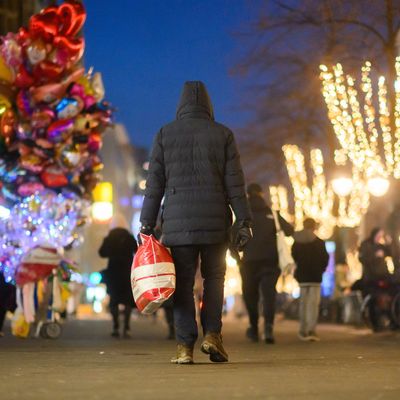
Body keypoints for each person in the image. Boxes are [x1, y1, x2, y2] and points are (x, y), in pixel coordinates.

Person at [140, 81, 252, 364]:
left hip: (178, 227)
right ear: (209, 105)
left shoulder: (165, 134)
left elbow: (154, 185)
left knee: (183, 284)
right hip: (215, 221)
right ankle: (213, 335)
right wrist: (244, 219)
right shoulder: (223, 134)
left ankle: (184, 347)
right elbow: (236, 184)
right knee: (215, 279)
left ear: (180, 105)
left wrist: (146, 222)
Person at [239, 183, 293, 344]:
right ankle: (268, 327)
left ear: (247, 195)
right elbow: (290, 231)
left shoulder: (243, 215)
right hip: (270, 261)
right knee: (269, 294)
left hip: (249, 262)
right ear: (262, 194)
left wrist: (238, 258)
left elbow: (233, 237)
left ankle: (254, 328)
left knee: (250, 295)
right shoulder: (273, 214)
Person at [292, 218, 329, 341]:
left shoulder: (297, 242)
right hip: (315, 277)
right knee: (313, 304)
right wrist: (320, 270)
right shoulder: (319, 242)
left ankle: (302, 330)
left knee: (303, 303)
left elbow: (294, 258)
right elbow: (325, 259)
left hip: (302, 277)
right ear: (314, 227)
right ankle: (311, 329)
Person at [99, 226, 138, 338]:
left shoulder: (109, 238)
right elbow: (137, 250)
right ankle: (126, 327)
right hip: (127, 272)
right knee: (128, 301)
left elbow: (102, 253)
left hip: (113, 272)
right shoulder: (129, 237)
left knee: (114, 300)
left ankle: (115, 327)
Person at [358, 227, 395, 331]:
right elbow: (362, 258)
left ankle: (386, 320)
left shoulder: (380, 246)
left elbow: (391, 254)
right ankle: (375, 324)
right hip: (371, 277)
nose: (380, 237)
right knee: (372, 300)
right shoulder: (366, 244)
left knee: (384, 298)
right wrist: (374, 256)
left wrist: (389, 244)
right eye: (379, 235)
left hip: (382, 276)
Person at [0, 272, 17, 337]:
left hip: (3, 305)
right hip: (3, 306)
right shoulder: (8, 286)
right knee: (1, 318)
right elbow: (13, 289)